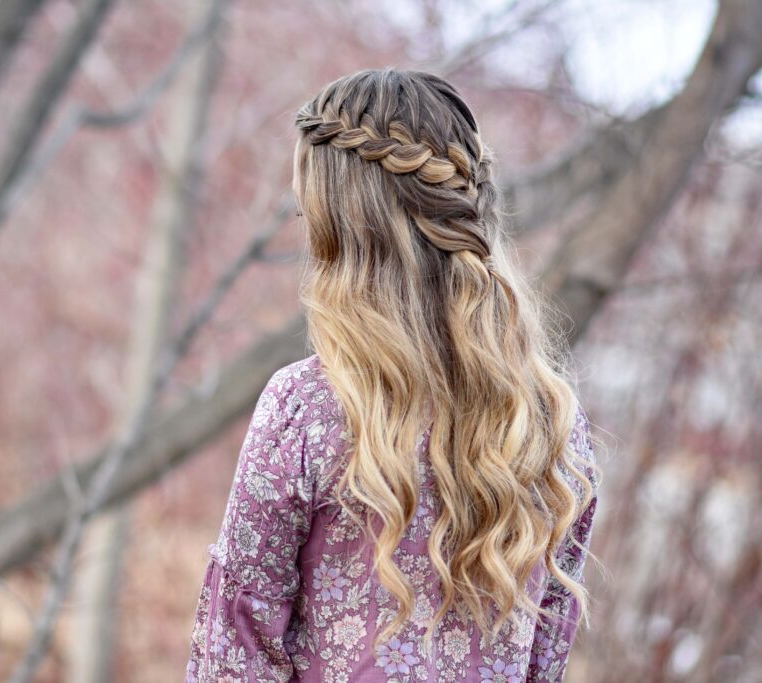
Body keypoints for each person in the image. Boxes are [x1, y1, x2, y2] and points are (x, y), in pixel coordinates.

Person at [184, 67, 602, 682]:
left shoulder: (308, 408)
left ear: (344, 234)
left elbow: (233, 656)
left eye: (310, 220)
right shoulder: (552, 425)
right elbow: (545, 660)